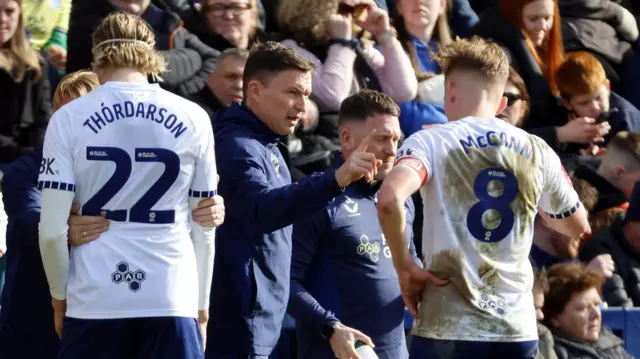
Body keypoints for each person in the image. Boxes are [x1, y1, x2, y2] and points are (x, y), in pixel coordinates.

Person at [376, 36, 590, 359]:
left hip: (447, 327)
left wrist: (404, 266)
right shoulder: (537, 150)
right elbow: (577, 226)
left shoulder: (429, 142)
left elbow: (390, 199)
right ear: (502, 103)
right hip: (515, 328)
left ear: (450, 91)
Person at [0, 69, 226, 359]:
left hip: (112, 312)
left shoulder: (136, 171)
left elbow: (185, 204)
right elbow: (29, 218)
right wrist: (62, 226)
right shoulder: (26, 169)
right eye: (73, 112)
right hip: (35, 323)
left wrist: (209, 208)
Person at [38, 13, 218, 359]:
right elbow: (204, 225)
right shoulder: (194, 116)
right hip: (171, 296)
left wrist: (60, 300)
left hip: (94, 299)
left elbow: (50, 233)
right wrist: (202, 307)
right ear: (152, 56)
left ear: (96, 56)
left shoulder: (68, 117)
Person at [209, 41, 380, 359]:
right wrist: (336, 178)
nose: (303, 106)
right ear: (256, 91)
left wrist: (326, 325)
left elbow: (277, 253)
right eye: (293, 92)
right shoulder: (237, 146)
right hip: (240, 330)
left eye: (306, 94)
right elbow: (262, 210)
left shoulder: (267, 144)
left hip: (264, 328)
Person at [288, 90, 419, 359]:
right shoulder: (317, 199)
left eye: (396, 139)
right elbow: (285, 282)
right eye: (382, 138)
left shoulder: (399, 199)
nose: (392, 149)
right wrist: (330, 327)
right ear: (347, 139)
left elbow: (410, 263)